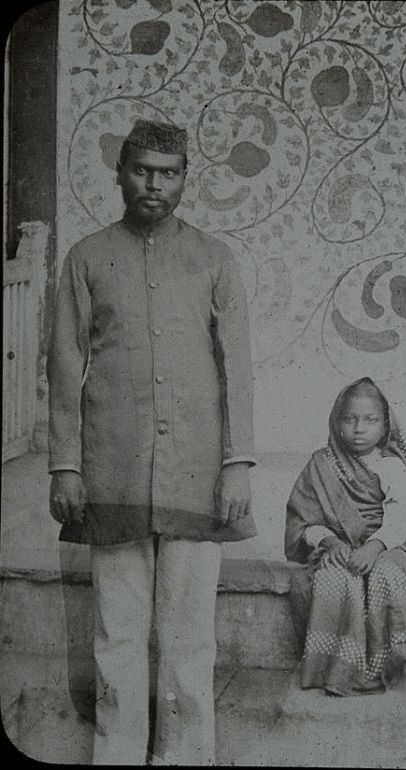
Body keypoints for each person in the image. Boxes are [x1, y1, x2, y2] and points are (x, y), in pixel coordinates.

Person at [47, 119, 256, 764]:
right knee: (118, 633)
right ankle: (117, 756)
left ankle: (185, 757)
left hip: (198, 472)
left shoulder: (215, 260)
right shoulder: (85, 257)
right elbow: (61, 365)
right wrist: (65, 465)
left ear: (186, 180)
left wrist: (237, 463)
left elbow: (237, 370)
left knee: (189, 635)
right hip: (111, 469)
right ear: (120, 174)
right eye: (141, 170)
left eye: (168, 173)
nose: (153, 184)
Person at [284, 377, 406, 696]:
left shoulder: (393, 466)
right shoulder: (321, 464)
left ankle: (373, 670)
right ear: (336, 422)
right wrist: (330, 542)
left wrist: (374, 547)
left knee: (384, 575)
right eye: (350, 419)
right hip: (339, 545)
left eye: (370, 420)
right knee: (334, 576)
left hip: (390, 546)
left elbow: (401, 519)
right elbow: (305, 520)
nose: (359, 428)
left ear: (385, 426)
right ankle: (332, 669)